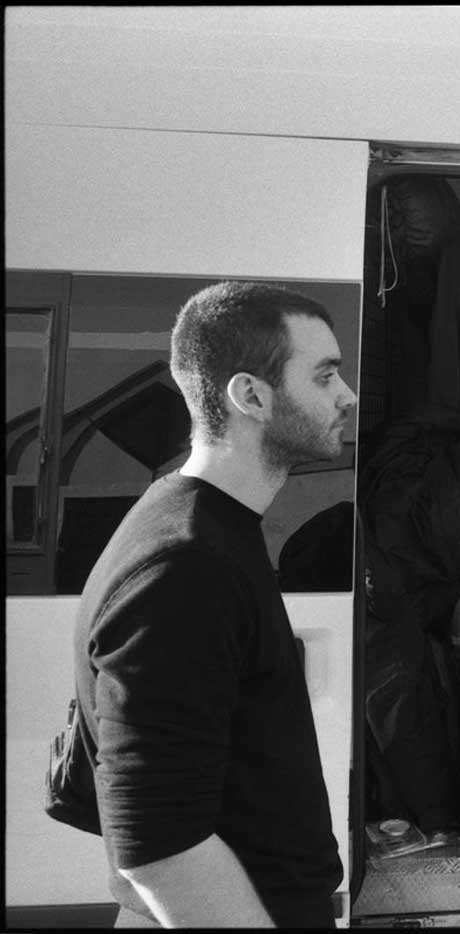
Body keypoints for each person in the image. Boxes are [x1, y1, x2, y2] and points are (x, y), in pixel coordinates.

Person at [72, 281, 356, 927]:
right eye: (325, 375)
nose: (348, 395)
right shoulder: (186, 565)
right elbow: (159, 850)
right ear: (250, 395)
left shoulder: (195, 525)